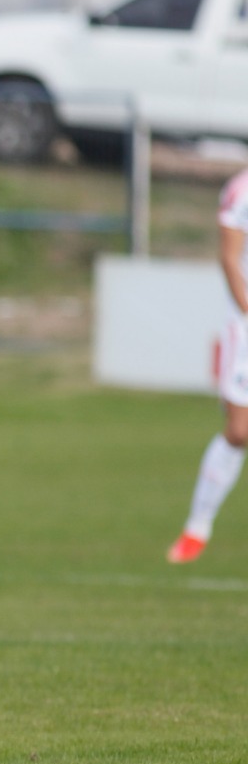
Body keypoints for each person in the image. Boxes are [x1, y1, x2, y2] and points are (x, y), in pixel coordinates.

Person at [168, 165, 248, 562]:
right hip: (246, 326)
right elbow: (230, 260)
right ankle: (197, 526)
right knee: (239, 431)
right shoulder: (241, 191)